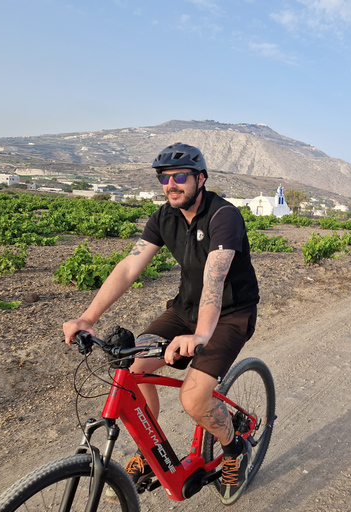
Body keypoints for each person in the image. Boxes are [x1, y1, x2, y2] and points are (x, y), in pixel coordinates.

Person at [62, 143, 260, 505]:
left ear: (200, 179)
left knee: (194, 398)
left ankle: (234, 448)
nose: (171, 184)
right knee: (134, 369)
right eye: (164, 178)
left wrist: (200, 334)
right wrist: (88, 317)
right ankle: (152, 454)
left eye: (180, 177)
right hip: (184, 309)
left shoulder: (223, 216)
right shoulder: (164, 217)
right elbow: (129, 267)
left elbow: (215, 278)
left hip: (230, 315)